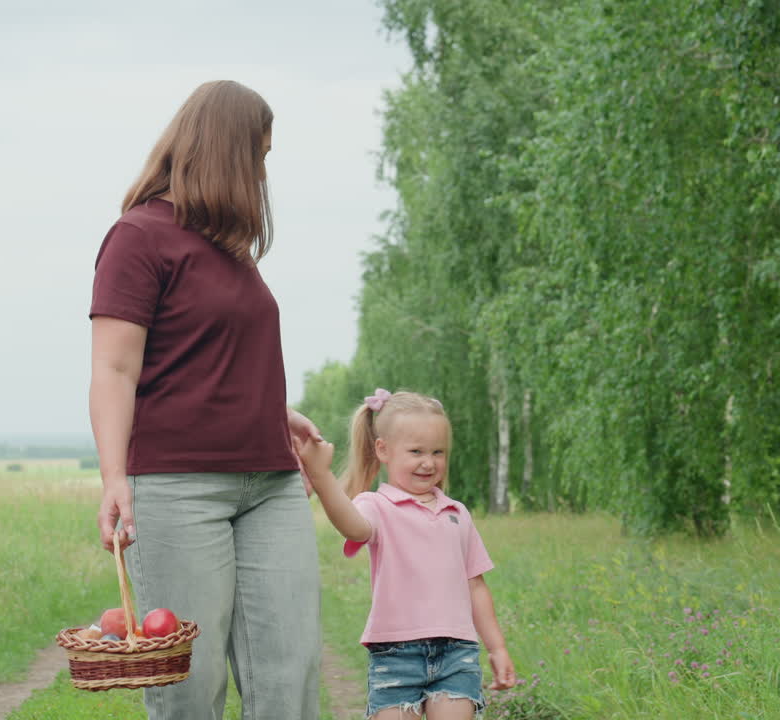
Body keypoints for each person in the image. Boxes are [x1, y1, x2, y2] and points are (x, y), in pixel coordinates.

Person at [88, 80, 322, 719]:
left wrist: (270, 409)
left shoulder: (231, 250)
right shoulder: (138, 237)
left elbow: (209, 350)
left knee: (290, 675)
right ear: (229, 152)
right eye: (260, 156)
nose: (264, 174)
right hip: (175, 486)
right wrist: (114, 477)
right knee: (186, 684)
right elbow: (113, 367)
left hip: (271, 483)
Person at [295, 389, 516, 720]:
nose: (429, 462)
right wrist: (322, 476)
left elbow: (476, 586)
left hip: (457, 654)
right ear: (383, 449)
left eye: (438, 452)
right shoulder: (376, 506)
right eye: (416, 451)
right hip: (395, 655)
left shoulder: (457, 513)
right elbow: (353, 528)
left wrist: (497, 648)